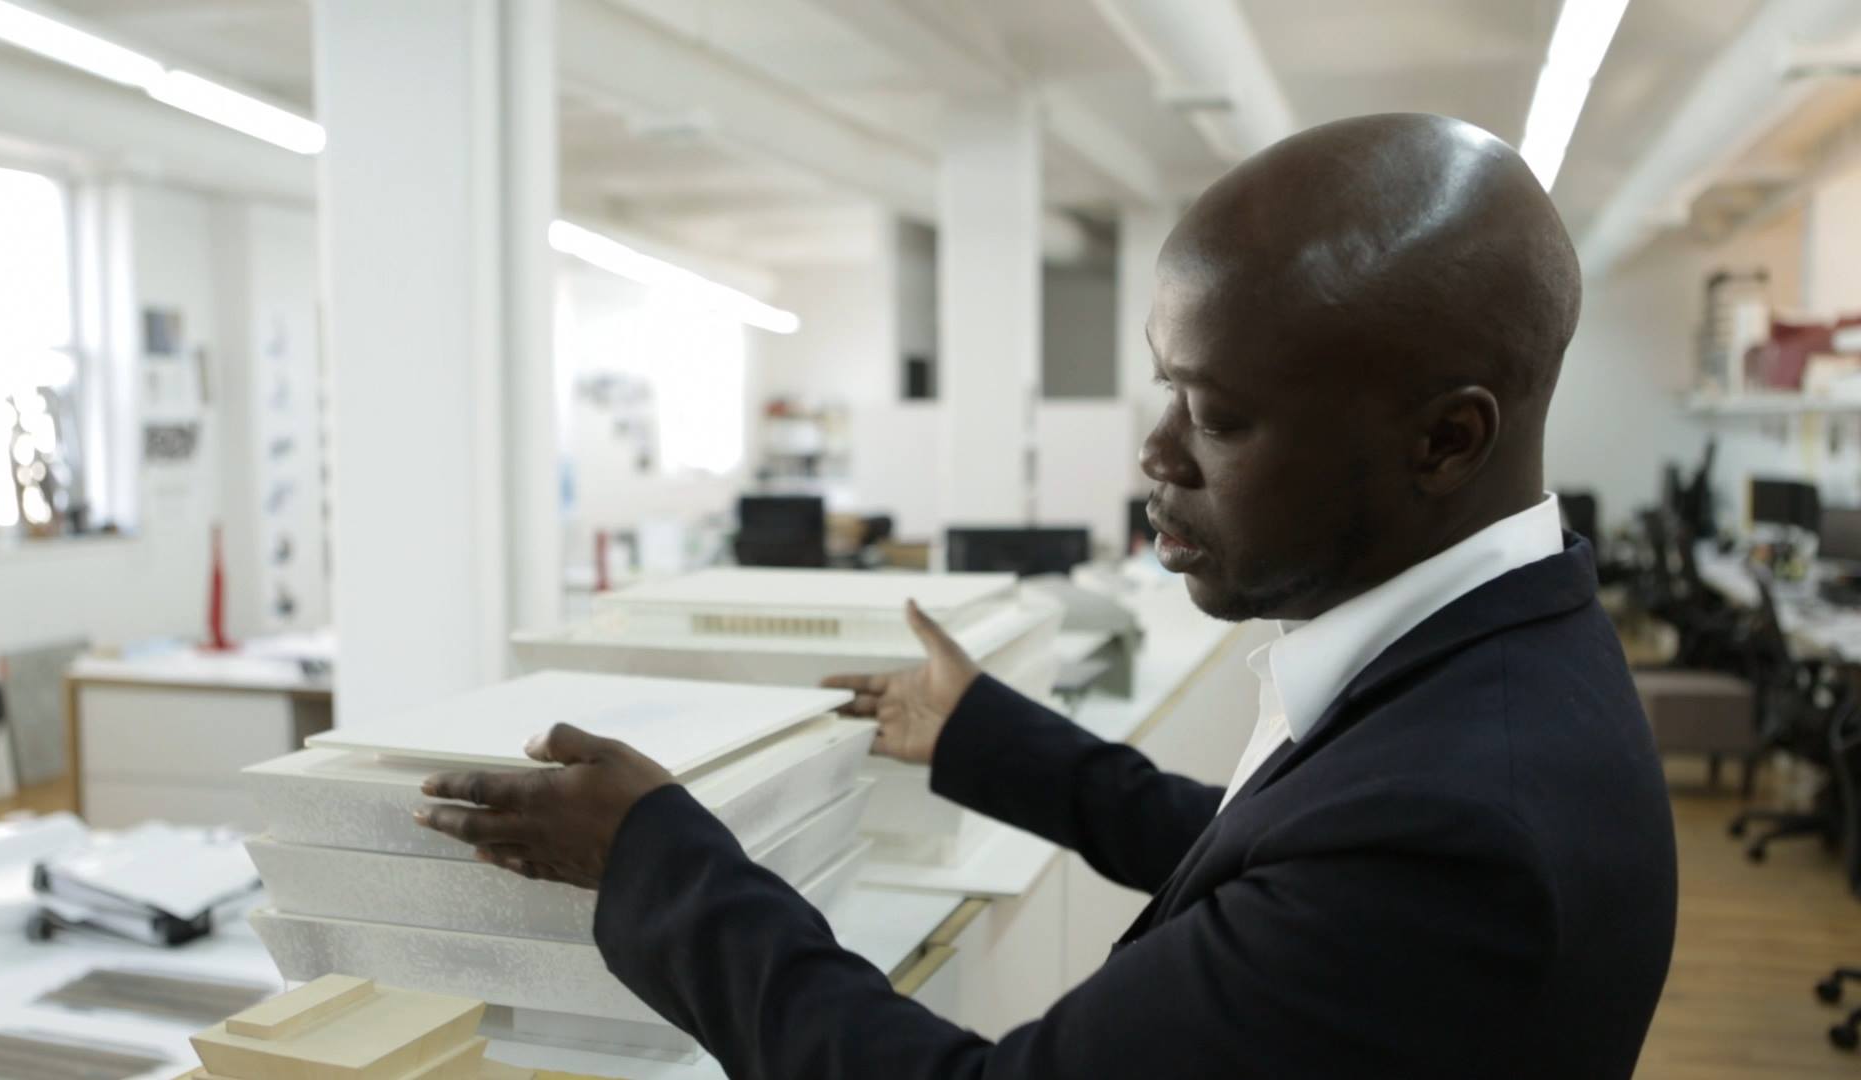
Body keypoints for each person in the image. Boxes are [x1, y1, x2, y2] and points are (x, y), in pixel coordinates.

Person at [417, 112, 1678, 1078]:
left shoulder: (1455, 834)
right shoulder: (1495, 657)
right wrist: (982, 735)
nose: (1157, 454)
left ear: (1447, 440)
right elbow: (1260, 857)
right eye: (1167, 388)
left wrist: (655, 860)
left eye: (1220, 418)